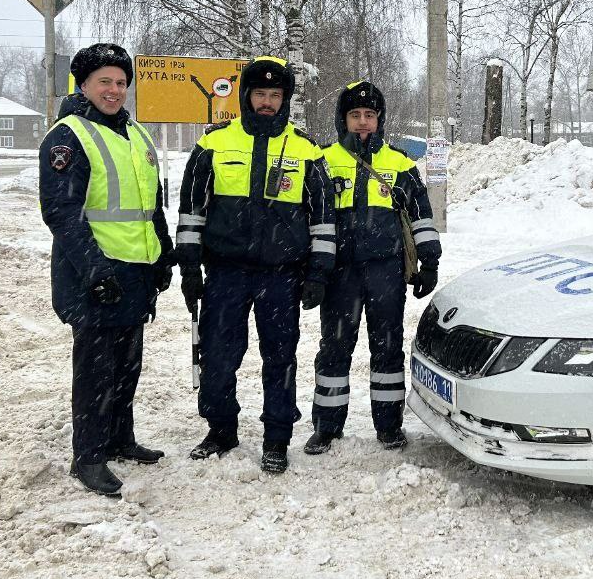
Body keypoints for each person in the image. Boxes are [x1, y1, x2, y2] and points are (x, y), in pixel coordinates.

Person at [176, 56, 335, 473]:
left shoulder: (305, 150)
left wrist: (318, 273)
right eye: (260, 94)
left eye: (275, 95)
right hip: (225, 273)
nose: (267, 101)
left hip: (282, 276)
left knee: (280, 358)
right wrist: (190, 268)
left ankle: (277, 437)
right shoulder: (213, 144)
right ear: (246, 96)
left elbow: (322, 218)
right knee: (218, 354)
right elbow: (191, 211)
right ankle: (221, 428)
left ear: (285, 100)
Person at [38, 43, 174, 498]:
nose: (115, 90)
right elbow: (62, 210)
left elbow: (147, 203)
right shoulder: (68, 135)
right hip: (91, 273)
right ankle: (89, 456)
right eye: (105, 82)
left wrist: (162, 252)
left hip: (135, 271)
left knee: (127, 365)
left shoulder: (136, 134)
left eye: (120, 82)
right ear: (84, 85)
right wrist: (96, 269)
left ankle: (119, 437)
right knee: (96, 369)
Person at [304, 80, 441, 455]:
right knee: (334, 349)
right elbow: (312, 219)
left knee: (387, 349)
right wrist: (314, 272)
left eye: (369, 115)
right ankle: (327, 427)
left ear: (379, 119)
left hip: (386, 271)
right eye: (355, 115)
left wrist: (430, 261)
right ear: (342, 119)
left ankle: (389, 425)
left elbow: (421, 217)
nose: (362, 122)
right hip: (340, 274)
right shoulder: (324, 161)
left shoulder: (400, 163)